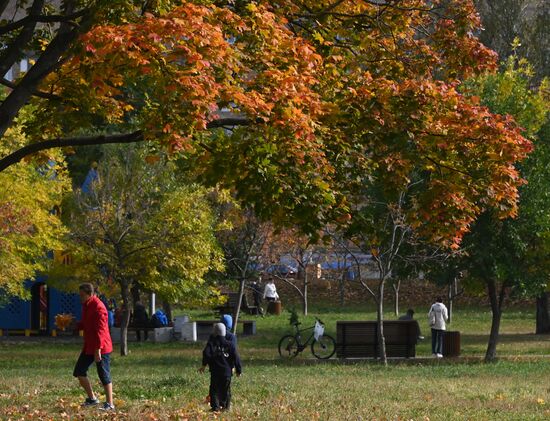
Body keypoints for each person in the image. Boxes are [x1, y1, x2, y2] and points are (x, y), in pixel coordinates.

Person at [73, 283, 115, 411]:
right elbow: (87, 323)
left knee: (103, 374)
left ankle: (110, 404)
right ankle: (92, 399)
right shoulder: (86, 305)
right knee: (79, 371)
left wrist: (98, 350)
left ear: (90, 294)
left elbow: (101, 330)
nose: (80, 298)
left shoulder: (98, 307)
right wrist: (74, 324)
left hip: (101, 347)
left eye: (82, 295)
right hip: (89, 345)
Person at [199, 323, 242, 412]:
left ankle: (215, 407)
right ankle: (226, 407)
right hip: (227, 372)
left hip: (215, 372)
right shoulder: (230, 345)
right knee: (226, 390)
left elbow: (206, 353)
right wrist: (238, 370)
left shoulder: (211, 343)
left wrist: (204, 365)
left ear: (214, 332)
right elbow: (236, 357)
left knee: (214, 390)